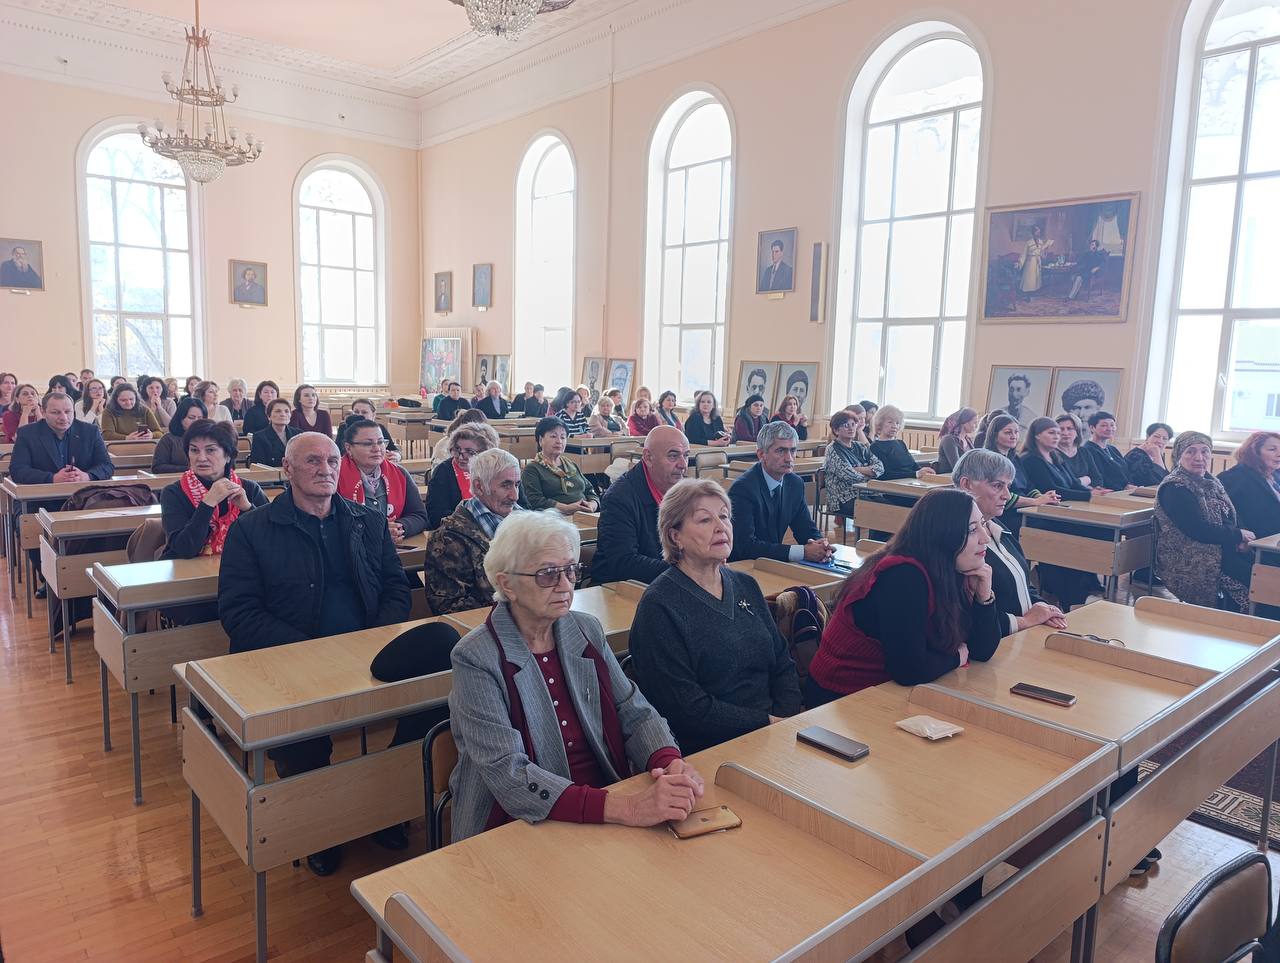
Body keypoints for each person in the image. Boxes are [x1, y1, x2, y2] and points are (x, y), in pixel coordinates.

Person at [218, 432, 412, 874]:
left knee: (436, 685)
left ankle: (387, 801)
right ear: (287, 470)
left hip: (365, 650)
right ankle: (317, 824)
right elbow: (240, 613)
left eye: (331, 460)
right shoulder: (252, 531)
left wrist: (370, 638)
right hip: (289, 659)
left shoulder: (367, 520)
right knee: (300, 732)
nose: (325, 469)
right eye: (311, 461)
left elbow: (397, 588)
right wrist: (311, 653)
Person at [446, 511, 700, 843]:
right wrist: (626, 808)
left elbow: (634, 711)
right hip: (516, 822)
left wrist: (668, 761)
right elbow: (509, 776)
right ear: (507, 583)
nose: (566, 585)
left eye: (570, 570)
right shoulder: (476, 657)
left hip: (603, 800)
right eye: (548, 574)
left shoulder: (584, 628)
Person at [630, 479, 802, 754]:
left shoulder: (746, 585)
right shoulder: (659, 606)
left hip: (775, 732)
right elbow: (686, 708)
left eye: (724, 516)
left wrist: (787, 719)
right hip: (709, 749)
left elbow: (782, 663)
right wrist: (767, 723)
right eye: (704, 520)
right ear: (675, 536)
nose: (721, 527)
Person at [804, 488, 1001, 706]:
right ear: (943, 536)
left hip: (886, 690)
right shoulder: (904, 575)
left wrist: (985, 596)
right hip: (841, 697)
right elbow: (908, 670)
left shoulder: (952, 569)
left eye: (983, 524)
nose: (986, 538)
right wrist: (956, 658)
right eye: (972, 530)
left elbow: (982, 651)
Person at [952, 449, 1067, 636]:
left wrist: (1043, 607)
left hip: (1025, 634)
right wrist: (1027, 620)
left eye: (1008, 486)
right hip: (997, 643)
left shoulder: (997, 526)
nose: (1006, 495)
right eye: (997, 486)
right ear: (966, 484)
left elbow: (1024, 582)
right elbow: (965, 615)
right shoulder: (958, 539)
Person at [1155, 431, 1253, 611]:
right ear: (1178, 456)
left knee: (1264, 571)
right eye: (1190, 451)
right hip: (1193, 557)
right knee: (1255, 583)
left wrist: (1242, 538)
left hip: (1219, 548)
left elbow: (1231, 514)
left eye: (1205, 451)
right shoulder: (1175, 487)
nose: (1199, 457)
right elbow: (1197, 530)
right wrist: (1237, 535)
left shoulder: (1210, 480)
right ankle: (1240, 627)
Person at [422, 448, 522, 615]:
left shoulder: (525, 521)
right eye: (506, 485)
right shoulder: (448, 537)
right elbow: (448, 607)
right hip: (488, 626)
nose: (515, 496)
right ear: (479, 486)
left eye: (517, 484)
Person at [1019, 417, 1104, 610]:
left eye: (1058, 433)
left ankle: (1081, 586)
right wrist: (1089, 495)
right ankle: (1069, 592)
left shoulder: (1055, 457)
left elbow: (1072, 483)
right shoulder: (1031, 459)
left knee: (1094, 533)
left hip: (1065, 512)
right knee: (1074, 541)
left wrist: (1092, 495)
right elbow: (1053, 489)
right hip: (1044, 517)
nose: (1057, 436)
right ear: (1037, 436)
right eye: (1052, 432)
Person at [592, 425, 689, 584]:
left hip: (668, 583)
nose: (683, 464)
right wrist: (686, 572)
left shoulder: (685, 491)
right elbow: (624, 563)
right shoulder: (619, 497)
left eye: (686, 455)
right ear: (648, 457)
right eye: (673, 455)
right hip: (620, 589)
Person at [160, 420, 267, 560]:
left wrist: (247, 508)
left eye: (210, 450)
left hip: (241, 569)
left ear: (228, 455)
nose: (201, 458)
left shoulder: (249, 489)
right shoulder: (174, 493)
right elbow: (184, 550)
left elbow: (270, 540)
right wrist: (208, 503)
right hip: (187, 574)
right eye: (194, 450)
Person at [728, 421, 831, 563]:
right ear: (761, 454)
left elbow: (805, 527)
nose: (789, 458)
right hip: (744, 566)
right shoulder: (743, 489)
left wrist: (821, 546)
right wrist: (802, 552)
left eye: (793, 450)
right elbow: (746, 546)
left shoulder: (795, 483)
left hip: (773, 563)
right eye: (780, 451)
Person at [338, 419, 427, 542]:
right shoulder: (334, 476)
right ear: (348, 448)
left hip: (392, 549)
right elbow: (329, 524)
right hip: (350, 552)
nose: (377, 449)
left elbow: (420, 516)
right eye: (368, 444)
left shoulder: (399, 473)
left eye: (380, 442)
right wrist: (375, 531)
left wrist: (398, 528)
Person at [11, 391, 113, 486]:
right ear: (43, 412)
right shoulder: (27, 433)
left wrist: (87, 476)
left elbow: (106, 466)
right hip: (42, 496)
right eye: (55, 412)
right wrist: (52, 478)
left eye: (68, 412)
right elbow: (18, 470)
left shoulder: (90, 431)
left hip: (83, 495)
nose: (63, 418)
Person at [426, 422, 500, 530]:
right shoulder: (444, 471)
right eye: (457, 450)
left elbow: (520, 505)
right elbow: (436, 515)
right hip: (456, 534)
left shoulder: (500, 469)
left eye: (470, 452)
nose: (461, 457)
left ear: (486, 452)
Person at [522, 417, 599, 514]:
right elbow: (535, 500)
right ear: (541, 440)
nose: (559, 441)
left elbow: (590, 490)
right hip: (554, 519)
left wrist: (592, 504)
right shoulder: (532, 469)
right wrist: (566, 508)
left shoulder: (571, 465)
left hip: (585, 515)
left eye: (563, 437)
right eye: (553, 436)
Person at [822, 408, 884, 517]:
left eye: (853, 424)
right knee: (879, 511)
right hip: (843, 498)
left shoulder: (860, 446)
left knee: (890, 507)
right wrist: (870, 474)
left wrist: (857, 469)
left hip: (866, 491)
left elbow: (880, 467)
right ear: (836, 430)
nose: (851, 428)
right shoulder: (832, 449)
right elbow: (849, 475)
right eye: (846, 425)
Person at [1221, 432, 1280, 543]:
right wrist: (1241, 536)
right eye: (1272, 449)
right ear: (1255, 453)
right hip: (1257, 542)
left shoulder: (1275, 474)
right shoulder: (1234, 477)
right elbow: (1225, 513)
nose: (1279, 454)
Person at [870, 404, 936, 480]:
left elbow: (913, 465)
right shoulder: (875, 446)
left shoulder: (900, 443)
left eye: (897, 423)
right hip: (893, 484)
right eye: (890, 422)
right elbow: (886, 473)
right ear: (879, 424)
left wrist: (924, 471)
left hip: (910, 481)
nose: (894, 426)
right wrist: (916, 474)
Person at [152, 398, 208, 474]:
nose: (196, 422)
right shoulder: (168, 439)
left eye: (200, 418)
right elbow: (157, 468)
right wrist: (189, 469)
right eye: (191, 418)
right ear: (181, 419)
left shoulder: (210, 439)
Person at [1081, 411, 1131, 490]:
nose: (1109, 429)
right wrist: (1123, 488)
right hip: (1107, 493)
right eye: (1104, 425)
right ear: (1092, 428)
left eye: (1112, 425)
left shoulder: (1112, 449)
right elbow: (1100, 477)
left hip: (1124, 491)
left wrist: (1129, 485)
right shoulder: (1087, 450)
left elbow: (1125, 471)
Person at [248, 398, 299, 468]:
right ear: (269, 416)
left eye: (286, 411)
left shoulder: (298, 434)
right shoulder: (259, 437)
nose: (283, 414)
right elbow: (258, 466)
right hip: (270, 477)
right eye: (278, 411)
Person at [1055, 413, 1100, 486]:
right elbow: (1063, 484)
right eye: (1061, 429)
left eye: (1070, 428)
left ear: (1077, 432)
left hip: (1089, 495)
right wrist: (1086, 480)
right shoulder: (1051, 454)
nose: (1065, 433)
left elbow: (1097, 479)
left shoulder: (1084, 452)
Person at [1125, 422, 1173, 487]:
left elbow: (1167, 479)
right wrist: (1157, 455)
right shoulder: (1136, 455)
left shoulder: (1156, 452)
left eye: (1164, 438)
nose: (1160, 441)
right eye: (1156, 436)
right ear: (1148, 437)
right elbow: (1156, 481)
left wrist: (1157, 455)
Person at [935, 407, 978, 474]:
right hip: (948, 478)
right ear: (965, 423)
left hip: (964, 476)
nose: (976, 426)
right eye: (974, 423)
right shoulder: (949, 440)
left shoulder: (968, 439)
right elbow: (956, 466)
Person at [1017, 224, 1053, 293]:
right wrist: (1019, 264)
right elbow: (1024, 254)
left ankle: (1035, 291)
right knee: (1030, 277)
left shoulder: (1041, 242)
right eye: (1037, 231)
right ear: (1033, 232)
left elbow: (1042, 253)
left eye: (1039, 231)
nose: (1038, 233)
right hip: (1030, 262)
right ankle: (1028, 292)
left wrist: (1046, 249)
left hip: (1038, 261)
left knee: (1037, 278)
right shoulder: (1029, 243)